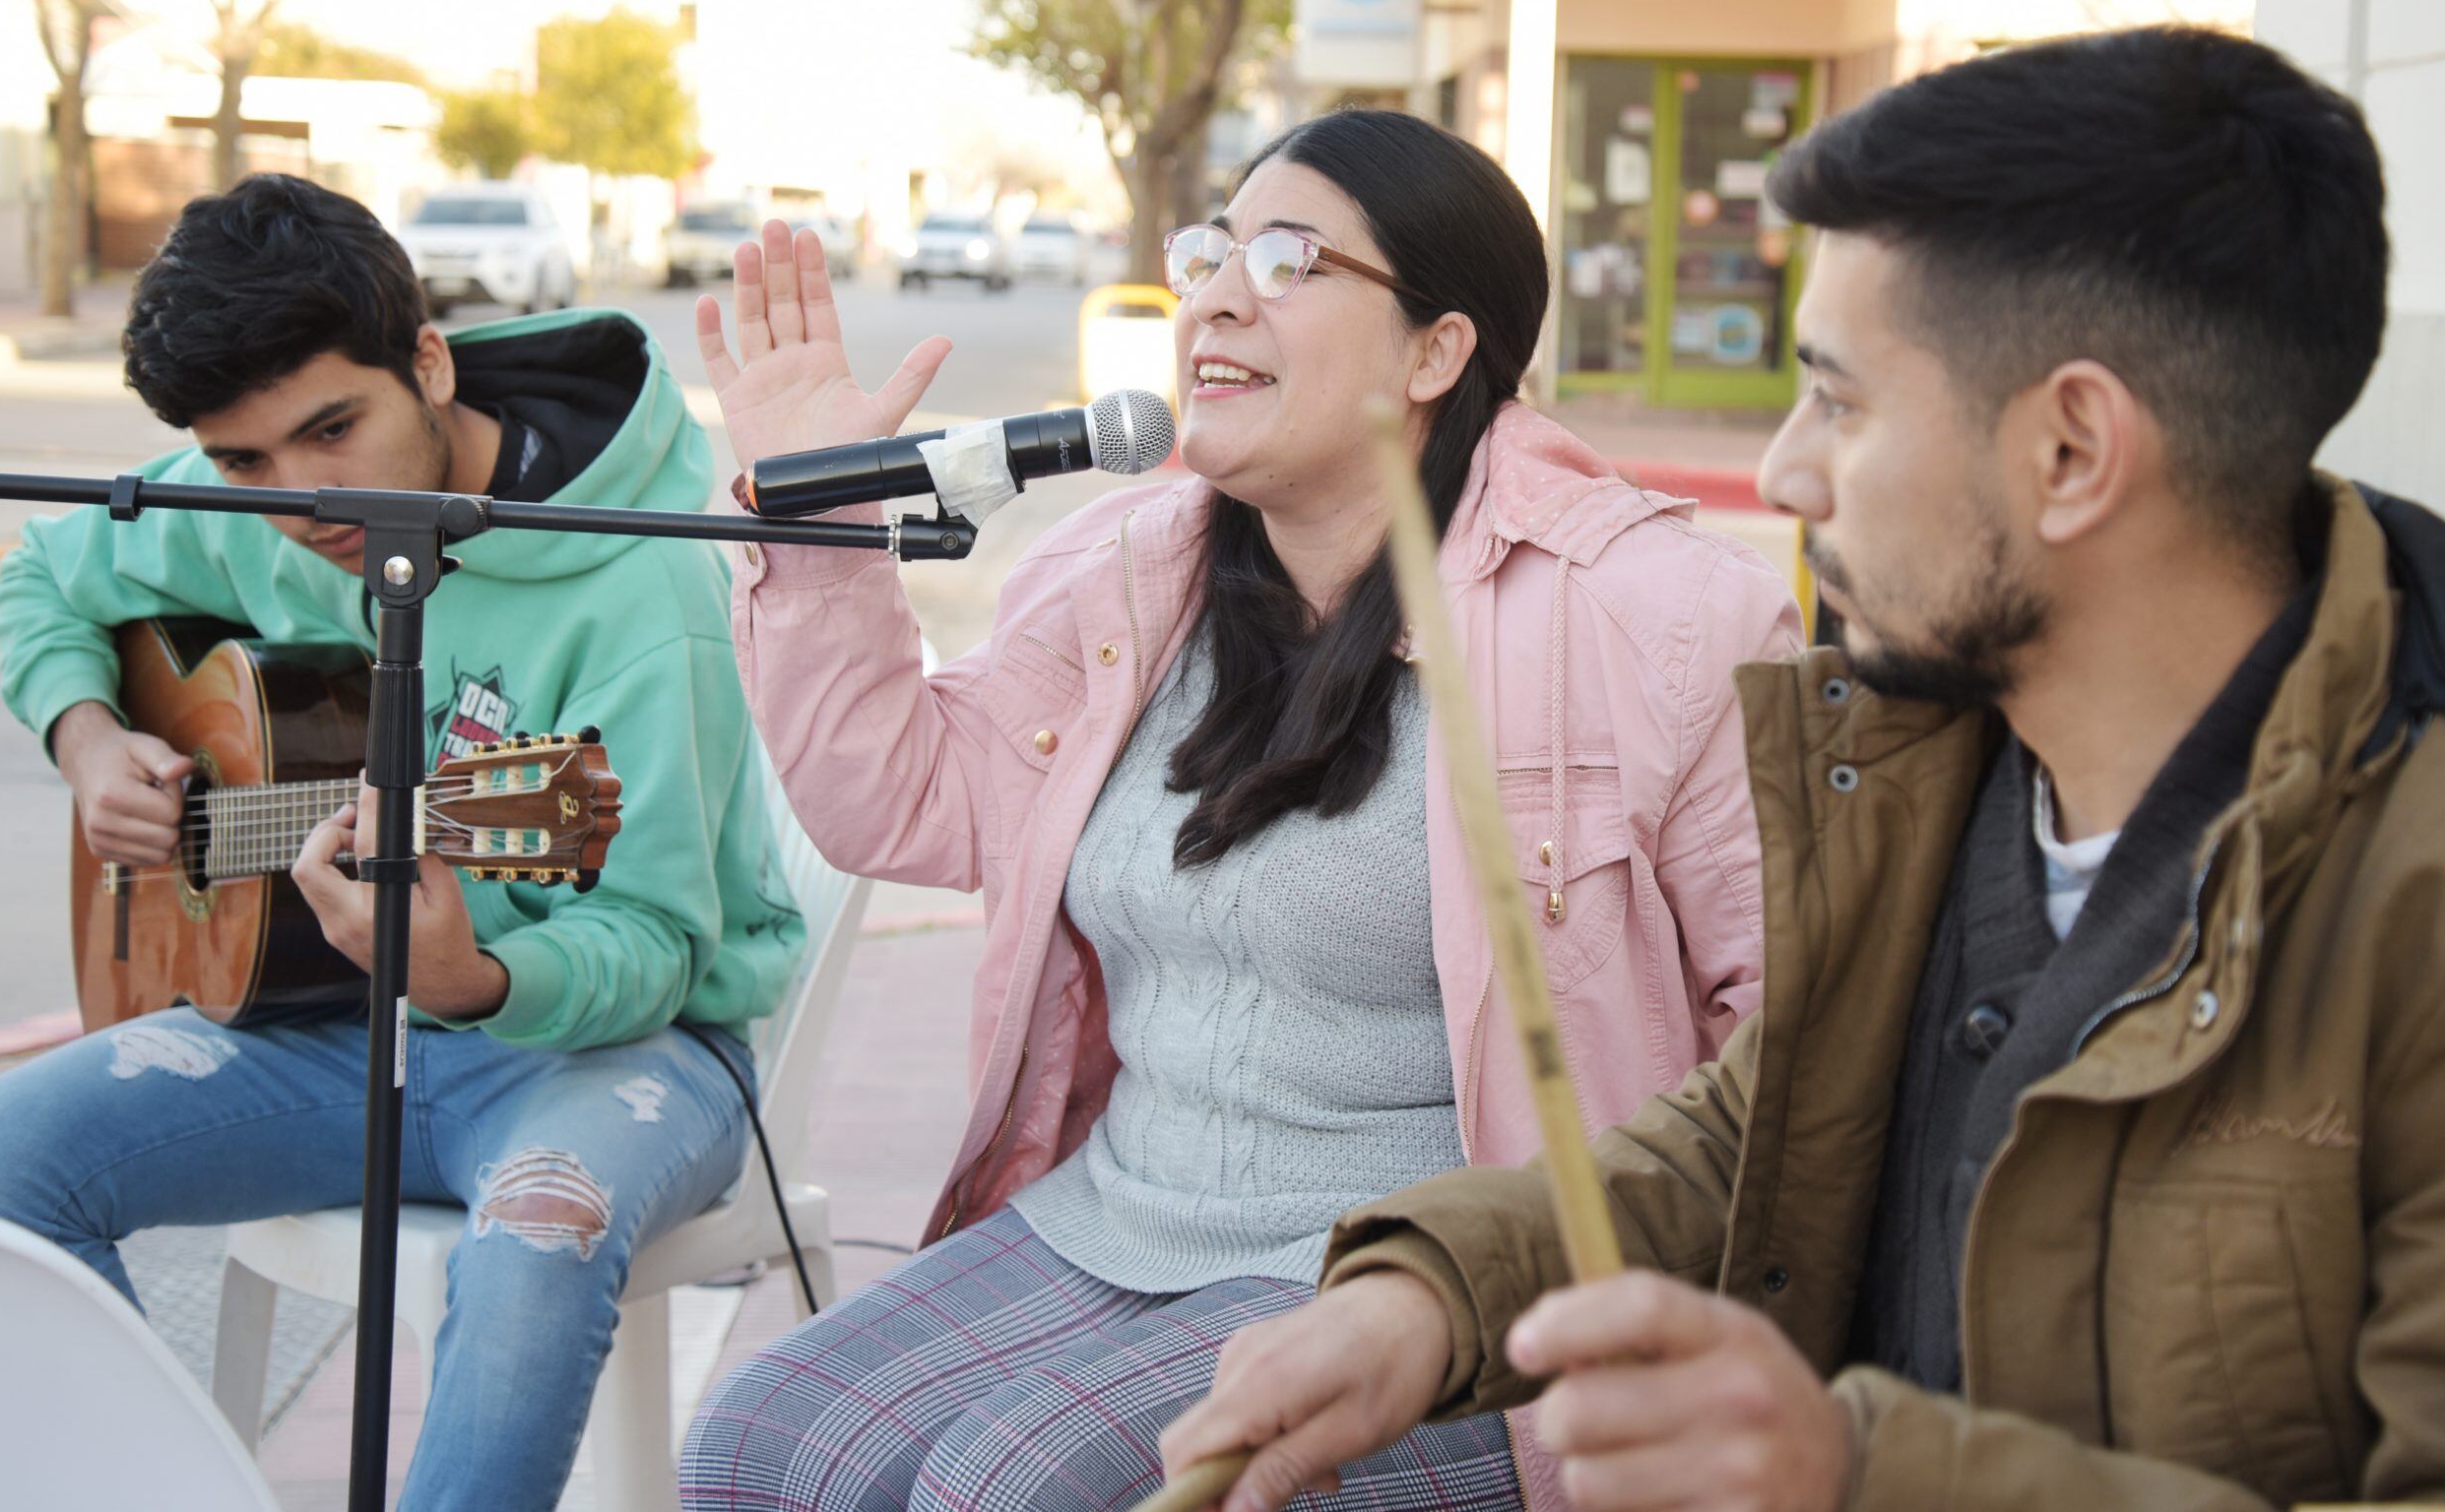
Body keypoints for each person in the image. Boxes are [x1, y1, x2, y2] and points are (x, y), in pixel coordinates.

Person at [1157, 26, 2445, 1512]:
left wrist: (1861, 1472)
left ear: (2072, 449)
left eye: (1842, 403)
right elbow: (1761, 1125)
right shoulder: (1926, 745)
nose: (1790, 474)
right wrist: (1428, 1297)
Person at [676, 108, 1801, 1510]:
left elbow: (1791, 1039)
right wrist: (815, 522)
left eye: (1287, 258)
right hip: (1119, 1210)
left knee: (1007, 1489)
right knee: (762, 1440)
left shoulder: (1660, 615)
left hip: (1434, 1280)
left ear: (1436, 352)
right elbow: (898, 800)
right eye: (1209, 250)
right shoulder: (1127, 575)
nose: (1213, 291)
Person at [0, 174, 806, 1512]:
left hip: (614, 1049)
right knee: (14, 1164)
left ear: (427, 359)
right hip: (334, 1025)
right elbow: (41, 572)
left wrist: (473, 977)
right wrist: (86, 735)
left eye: (333, 428)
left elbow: (655, 940)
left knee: (539, 1244)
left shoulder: (643, 586)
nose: (300, 497)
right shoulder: (255, 510)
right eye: (244, 460)